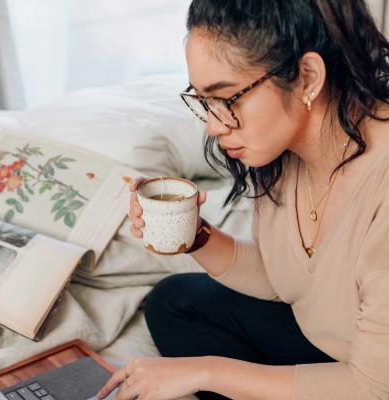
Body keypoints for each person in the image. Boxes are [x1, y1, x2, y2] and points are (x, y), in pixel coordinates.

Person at [98, 0, 389, 399]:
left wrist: (206, 372)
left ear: (307, 77)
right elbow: (286, 280)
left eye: (228, 99)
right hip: (332, 345)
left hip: (372, 379)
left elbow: (374, 388)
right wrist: (194, 234)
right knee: (173, 302)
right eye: (204, 101)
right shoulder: (284, 151)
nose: (215, 127)